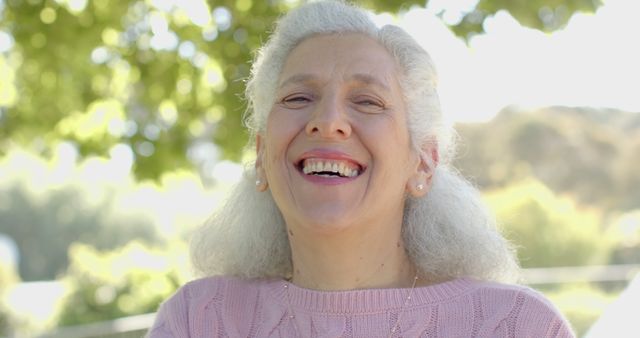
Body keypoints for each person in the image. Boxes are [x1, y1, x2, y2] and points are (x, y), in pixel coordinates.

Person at [147, 1, 574, 337]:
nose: (328, 120)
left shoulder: (517, 327)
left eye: (367, 101)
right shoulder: (198, 321)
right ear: (261, 156)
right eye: (298, 98)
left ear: (423, 163)